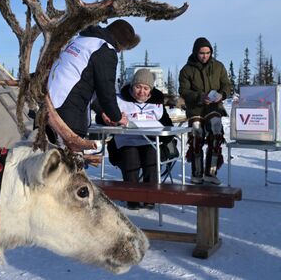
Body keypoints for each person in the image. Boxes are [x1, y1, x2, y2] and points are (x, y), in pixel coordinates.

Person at [47, 20, 140, 141]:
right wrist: (116, 117)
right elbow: (106, 91)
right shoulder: (104, 50)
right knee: (65, 158)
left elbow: (82, 82)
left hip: (49, 107)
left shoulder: (80, 41)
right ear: (121, 43)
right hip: (66, 118)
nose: (120, 51)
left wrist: (102, 111)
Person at [96, 69, 174, 210]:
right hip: (125, 142)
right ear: (132, 86)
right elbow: (101, 117)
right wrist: (107, 120)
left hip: (149, 142)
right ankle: (132, 197)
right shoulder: (120, 100)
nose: (141, 92)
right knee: (131, 155)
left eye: (146, 88)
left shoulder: (156, 103)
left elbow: (168, 127)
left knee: (151, 156)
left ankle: (150, 197)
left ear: (151, 89)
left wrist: (162, 138)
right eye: (138, 87)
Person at [179, 37, 231, 185]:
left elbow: (227, 85)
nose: (205, 56)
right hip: (195, 108)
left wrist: (223, 94)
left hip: (214, 107)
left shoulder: (219, 67)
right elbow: (183, 91)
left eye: (208, 53)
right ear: (196, 52)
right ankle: (197, 173)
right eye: (202, 53)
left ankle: (211, 173)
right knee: (196, 135)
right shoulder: (186, 70)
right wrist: (200, 97)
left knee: (216, 133)